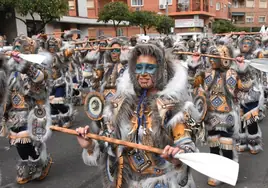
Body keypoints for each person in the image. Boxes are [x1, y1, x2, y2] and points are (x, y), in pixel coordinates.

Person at [77, 44, 202, 187]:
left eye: (149, 68)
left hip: (162, 183)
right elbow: (107, 143)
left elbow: (187, 146)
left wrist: (178, 155)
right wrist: (90, 145)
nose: (142, 73)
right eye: (139, 68)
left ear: (160, 71)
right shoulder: (118, 105)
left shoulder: (174, 107)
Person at [2, 34, 52, 184]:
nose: (16, 49)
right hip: (14, 111)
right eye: (15, 46)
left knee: (32, 141)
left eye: (20, 47)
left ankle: (41, 164)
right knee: (17, 140)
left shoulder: (36, 63)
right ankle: (27, 165)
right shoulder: (9, 67)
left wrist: (25, 67)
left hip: (32, 109)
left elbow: (40, 80)